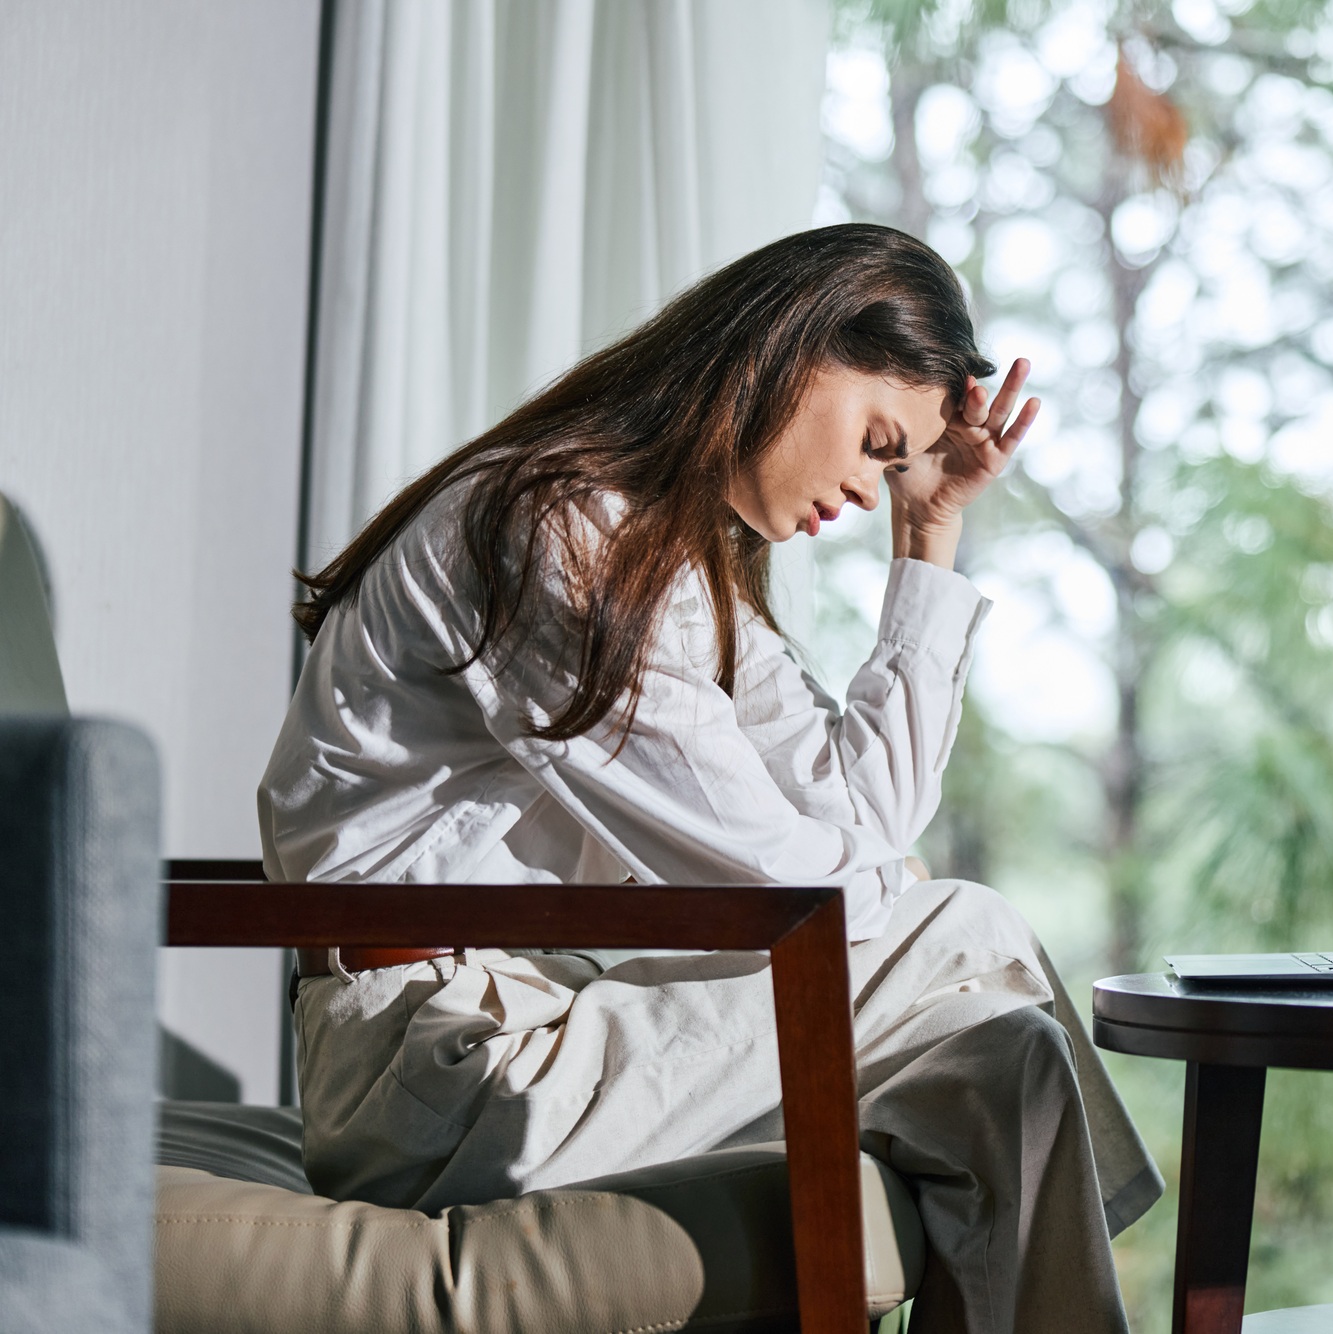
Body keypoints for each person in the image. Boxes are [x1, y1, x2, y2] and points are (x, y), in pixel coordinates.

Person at [258, 223, 1162, 1333]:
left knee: (1004, 1058)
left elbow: (862, 817)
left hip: (550, 1025)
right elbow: (785, 895)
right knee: (965, 929)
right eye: (878, 445)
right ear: (789, 349)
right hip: (444, 1079)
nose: (870, 489)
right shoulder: (558, 534)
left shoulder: (678, 565)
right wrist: (899, 890)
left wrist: (930, 531)